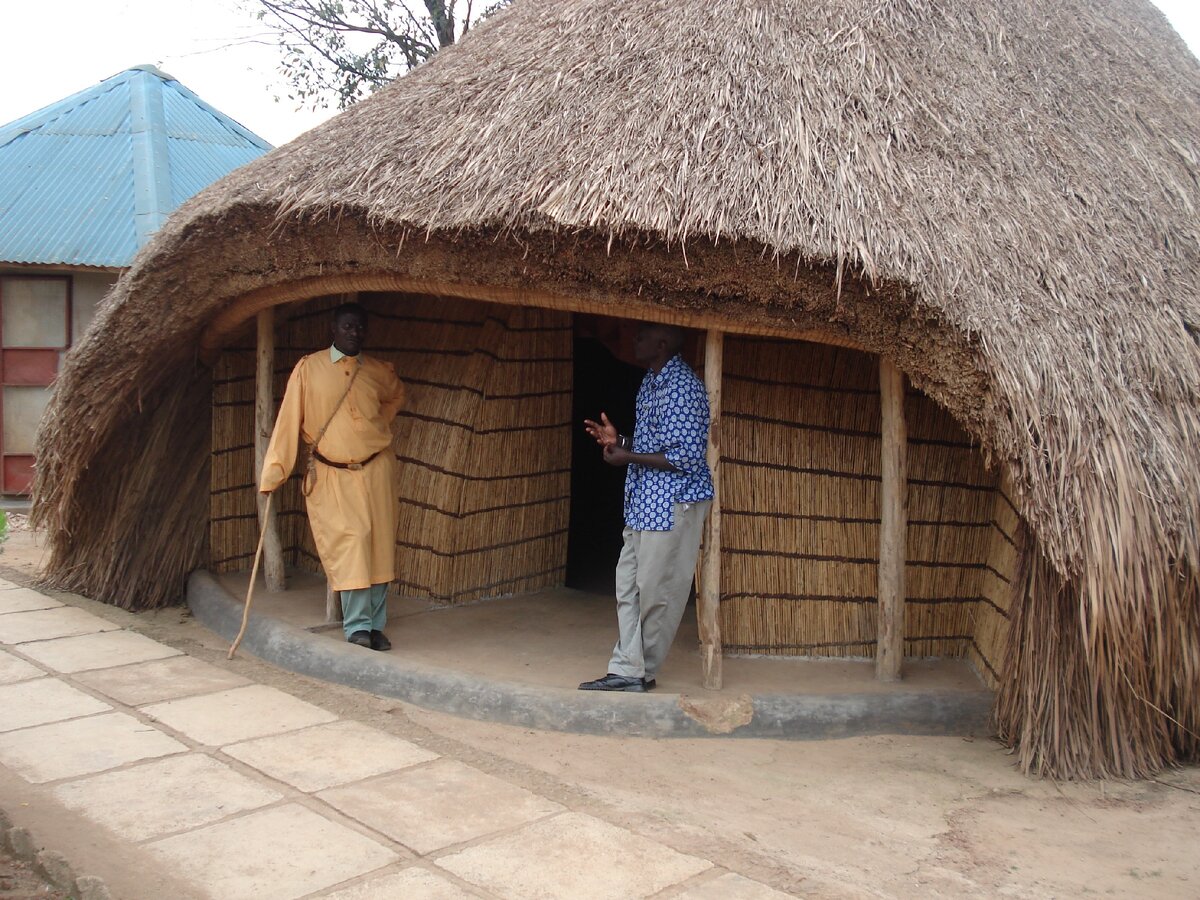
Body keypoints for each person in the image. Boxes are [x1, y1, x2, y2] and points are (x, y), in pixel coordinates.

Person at [259, 303, 405, 651]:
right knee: (352, 542)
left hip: (376, 469)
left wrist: (377, 425)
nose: (354, 332)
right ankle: (356, 625)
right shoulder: (309, 369)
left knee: (379, 548)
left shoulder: (375, 371)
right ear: (333, 329)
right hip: (332, 473)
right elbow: (288, 421)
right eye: (348, 326)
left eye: (359, 327)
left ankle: (375, 625)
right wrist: (274, 472)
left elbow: (396, 395)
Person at [579, 323, 713, 692]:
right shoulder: (652, 383)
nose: (634, 339)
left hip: (671, 504)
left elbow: (686, 457)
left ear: (663, 342)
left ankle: (637, 671)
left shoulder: (682, 387)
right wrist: (620, 440)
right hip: (644, 503)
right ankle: (629, 668)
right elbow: (660, 443)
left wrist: (628, 455)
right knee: (628, 587)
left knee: (657, 594)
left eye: (642, 335)